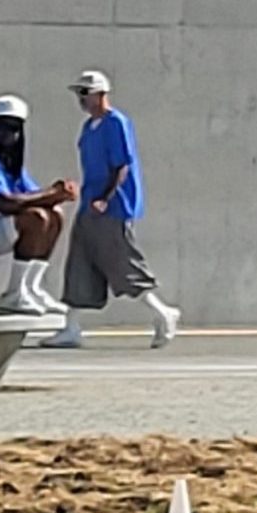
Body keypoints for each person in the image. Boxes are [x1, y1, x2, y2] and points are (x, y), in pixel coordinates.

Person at [44, 71, 181, 349]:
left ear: (101, 94)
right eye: (79, 93)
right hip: (89, 205)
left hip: (112, 207)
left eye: (86, 93)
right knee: (79, 264)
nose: (81, 99)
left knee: (122, 263)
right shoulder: (88, 127)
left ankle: (163, 313)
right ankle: (71, 327)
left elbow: (122, 165)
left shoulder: (116, 123)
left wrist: (106, 198)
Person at [0, 95, 78, 315]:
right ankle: (13, 294)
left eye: (14, 128)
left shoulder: (7, 161)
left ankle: (30, 287)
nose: (7, 134)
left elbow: (30, 195)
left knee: (55, 214)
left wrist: (57, 196)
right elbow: (5, 203)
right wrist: (52, 193)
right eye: (1, 126)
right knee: (35, 218)